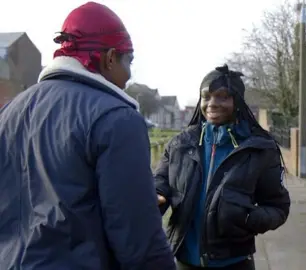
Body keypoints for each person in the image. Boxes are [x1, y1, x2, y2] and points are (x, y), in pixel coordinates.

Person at [0, 2, 175, 269]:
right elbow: (138, 243)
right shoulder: (117, 118)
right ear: (109, 58)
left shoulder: (9, 112)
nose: (128, 76)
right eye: (129, 61)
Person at [154, 64, 291, 270]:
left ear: (237, 101)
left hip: (234, 262)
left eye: (222, 96)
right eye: (206, 96)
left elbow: (278, 208)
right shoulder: (180, 144)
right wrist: (157, 195)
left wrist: (247, 218)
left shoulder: (259, 149)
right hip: (184, 260)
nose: (212, 103)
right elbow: (161, 182)